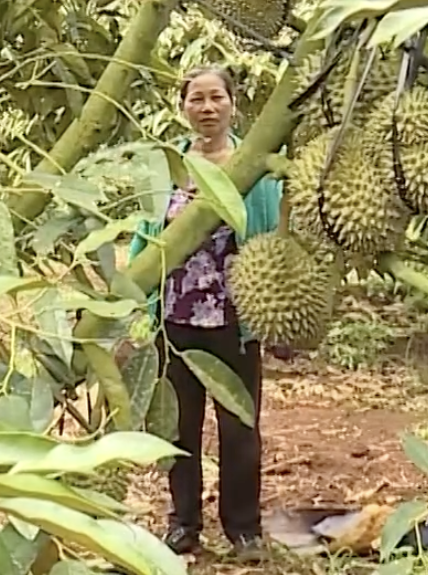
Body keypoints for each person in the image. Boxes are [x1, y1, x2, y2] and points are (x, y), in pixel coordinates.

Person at [127, 64, 284, 561]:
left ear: (233, 104)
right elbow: (143, 236)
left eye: (217, 98)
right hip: (175, 319)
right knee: (179, 427)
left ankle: (244, 529)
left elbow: (271, 233)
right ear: (183, 108)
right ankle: (183, 524)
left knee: (240, 427)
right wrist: (136, 306)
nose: (208, 108)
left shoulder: (254, 167)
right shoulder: (166, 167)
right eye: (197, 99)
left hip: (236, 318)